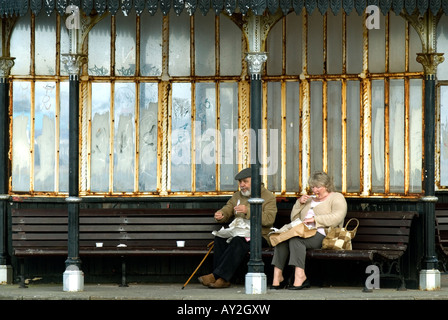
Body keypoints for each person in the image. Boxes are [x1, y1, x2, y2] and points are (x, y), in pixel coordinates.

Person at [198, 167, 277, 288]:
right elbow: (228, 208)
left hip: (260, 235)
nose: (242, 185)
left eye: (245, 181)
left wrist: (248, 211)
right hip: (240, 232)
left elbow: (269, 219)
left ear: (255, 181)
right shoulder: (237, 196)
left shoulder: (268, 197)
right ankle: (221, 279)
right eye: (240, 182)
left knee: (238, 241)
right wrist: (221, 214)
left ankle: (218, 276)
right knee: (220, 238)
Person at [270, 171, 347, 290]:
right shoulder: (310, 200)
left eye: (318, 187)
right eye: (312, 187)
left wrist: (315, 220)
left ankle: (300, 276)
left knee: (296, 241)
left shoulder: (336, 197)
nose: (314, 190)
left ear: (326, 186)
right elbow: (294, 219)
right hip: (302, 231)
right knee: (282, 239)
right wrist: (299, 204)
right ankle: (277, 277)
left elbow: (337, 217)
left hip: (323, 234)